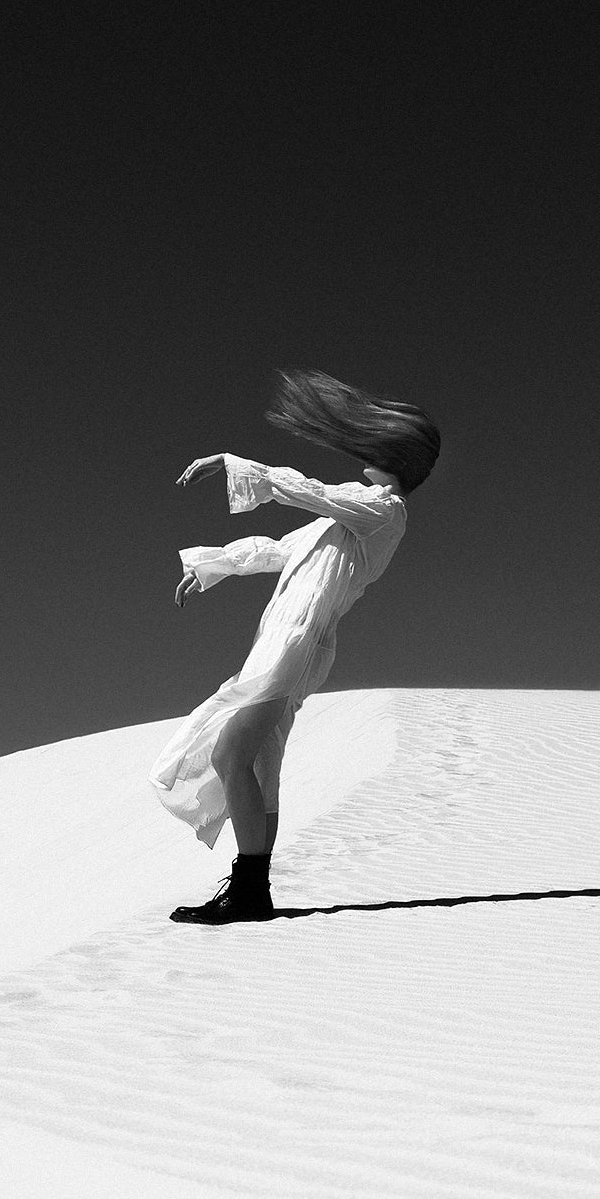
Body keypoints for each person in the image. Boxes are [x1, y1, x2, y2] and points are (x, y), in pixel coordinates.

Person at [152, 369, 441, 923]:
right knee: (259, 764)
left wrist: (239, 466)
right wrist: (216, 566)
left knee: (229, 754)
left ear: (397, 457)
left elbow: (311, 492)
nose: (365, 451)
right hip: (279, 639)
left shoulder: (383, 513)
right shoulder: (351, 512)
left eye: (377, 445)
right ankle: (252, 893)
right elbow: (277, 548)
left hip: (297, 643)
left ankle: (249, 890)